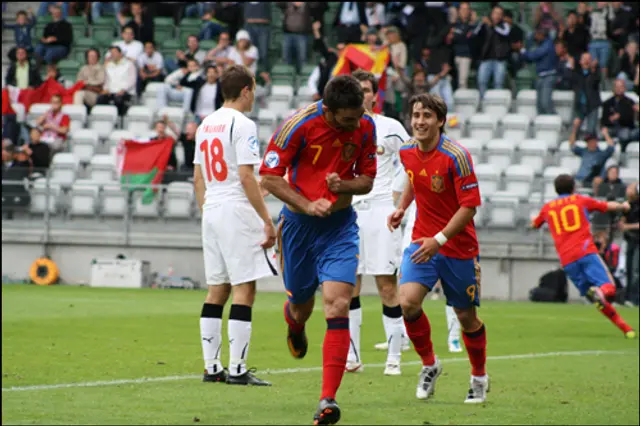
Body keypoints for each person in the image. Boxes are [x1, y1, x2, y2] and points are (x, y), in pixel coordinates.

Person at [259, 75, 377, 425]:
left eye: (358, 116)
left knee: (338, 303)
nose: (355, 124)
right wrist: (307, 204)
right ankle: (294, 324)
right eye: (347, 120)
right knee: (301, 306)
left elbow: (368, 180)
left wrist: (344, 185)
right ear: (328, 110)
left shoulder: (365, 125)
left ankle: (328, 400)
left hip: (340, 227)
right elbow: (269, 177)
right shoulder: (297, 126)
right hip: (297, 228)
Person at [387, 93, 488, 404]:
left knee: (465, 316)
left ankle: (479, 377)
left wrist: (439, 240)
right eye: (416, 115)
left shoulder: (456, 156)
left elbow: (470, 207)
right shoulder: (407, 151)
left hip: (457, 248)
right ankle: (430, 365)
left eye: (427, 116)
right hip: (422, 241)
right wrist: (402, 208)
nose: (420, 121)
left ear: (440, 121)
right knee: (407, 303)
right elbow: (415, 180)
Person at [193, 64, 277, 387]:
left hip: (212, 206)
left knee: (217, 289)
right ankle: (238, 369)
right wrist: (266, 220)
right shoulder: (243, 124)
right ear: (245, 90)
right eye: (253, 89)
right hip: (234, 208)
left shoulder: (205, 124)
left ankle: (212, 367)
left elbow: (198, 178)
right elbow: (244, 176)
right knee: (245, 287)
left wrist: (208, 211)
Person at [343, 70, 410, 376]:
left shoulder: (389, 127)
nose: (362, 93)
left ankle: (394, 356)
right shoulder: (339, 127)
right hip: (349, 212)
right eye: (356, 88)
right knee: (348, 286)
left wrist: (400, 199)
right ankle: (352, 356)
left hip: (382, 210)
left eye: (366, 89)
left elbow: (413, 163)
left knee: (386, 285)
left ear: (374, 94)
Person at [531, 174, 636, 339]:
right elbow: (607, 206)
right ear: (573, 188)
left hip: (567, 260)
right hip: (585, 251)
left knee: (595, 299)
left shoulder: (547, 207)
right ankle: (601, 293)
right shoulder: (580, 200)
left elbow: (534, 225)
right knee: (608, 289)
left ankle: (626, 328)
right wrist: (623, 206)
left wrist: (533, 221)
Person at [392, 170, 464, 354]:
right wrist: (398, 209)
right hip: (413, 233)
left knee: (454, 290)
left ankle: (454, 337)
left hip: (445, 233)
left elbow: (466, 203)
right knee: (407, 294)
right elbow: (401, 190)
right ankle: (404, 336)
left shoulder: (450, 163)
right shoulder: (411, 161)